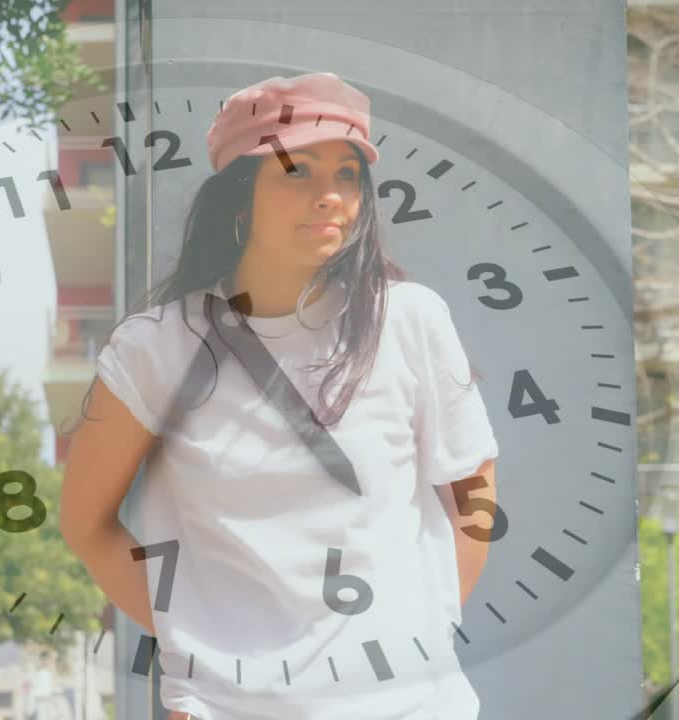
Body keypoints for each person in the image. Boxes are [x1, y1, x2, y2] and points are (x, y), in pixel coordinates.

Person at [58, 72, 501, 719]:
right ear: (240, 197)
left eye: (347, 175)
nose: (330, 197)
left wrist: (426, 624)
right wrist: (201, 639)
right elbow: (86, 524)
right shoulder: (156, 348)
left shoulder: (409, 321)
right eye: (298, 173)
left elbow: (473, 489)